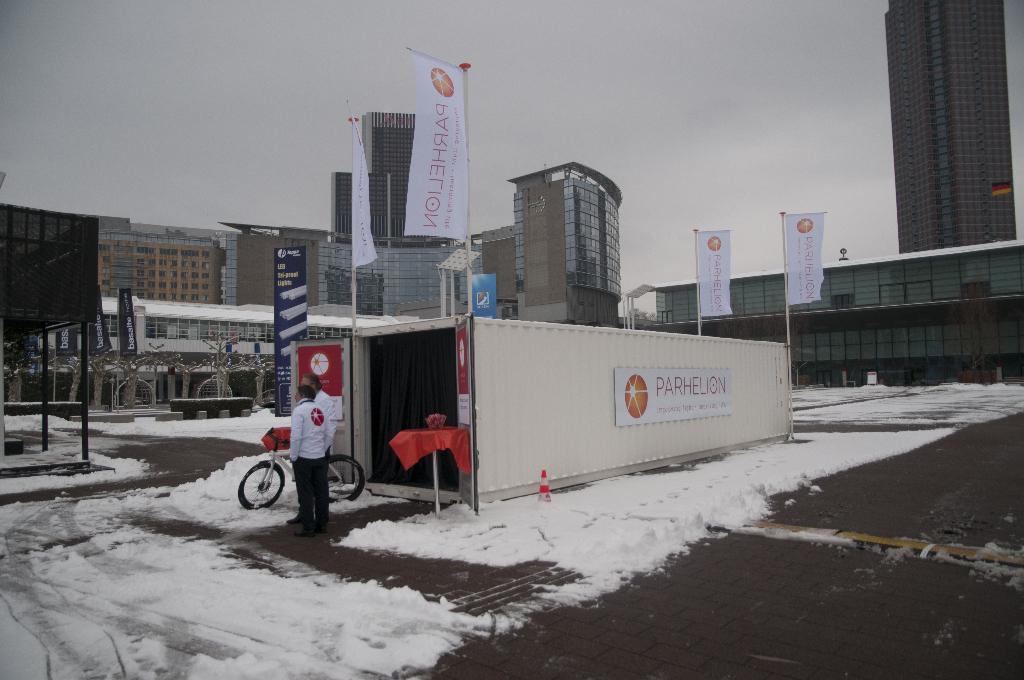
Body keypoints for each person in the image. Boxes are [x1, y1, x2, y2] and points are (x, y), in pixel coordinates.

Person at [287, 373, 338, 525]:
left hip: (317, 450)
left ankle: (314, 520)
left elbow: (330, 427)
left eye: (306, 384)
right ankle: (305, 513)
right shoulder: (306, 403)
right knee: (305, 486)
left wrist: (321, 449)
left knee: (316, 487)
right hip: (309, 450)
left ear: (314, 385)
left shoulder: (325, 400)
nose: (302, 387)